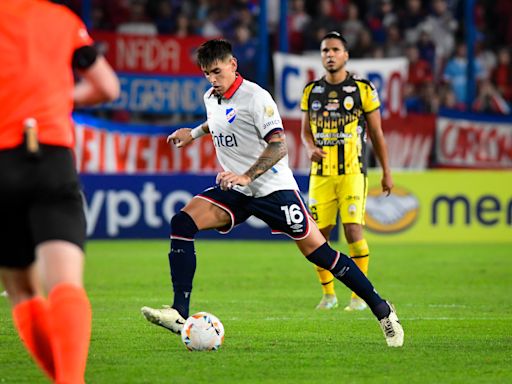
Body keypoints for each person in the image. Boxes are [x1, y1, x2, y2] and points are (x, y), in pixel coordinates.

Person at [140, 39, 404, 347]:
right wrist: (194, 133)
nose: (212, 80)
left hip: (273, 189)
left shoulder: (256, 97)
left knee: (321, 254)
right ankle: (178, 312)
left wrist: (246, 175)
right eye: (206, 74)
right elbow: (219, 121)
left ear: (233, 65)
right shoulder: (212, 96)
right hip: (237, 189)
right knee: (182, 223)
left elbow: (279, 145)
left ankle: (383, 311)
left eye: (216, 71)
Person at [0, 1, 120, 383]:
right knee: (66, 285)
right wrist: (58, 99)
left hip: (2, 160)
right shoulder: (62, 19)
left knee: (22, 290)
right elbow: (107, 86)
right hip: (51, 155)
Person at [300, 31, 394, 311]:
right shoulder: (311, 91)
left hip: (353, 172)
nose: (329, 54)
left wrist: (386, 171)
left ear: (346, 55)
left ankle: (359, 297)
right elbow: (305, 132)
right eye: (325, 50)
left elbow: (377, 133)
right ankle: (329, 295)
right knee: (317, 236)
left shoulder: (363, 89)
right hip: (321, 175)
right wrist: (308, 148)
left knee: (353, 230)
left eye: (335, 49)